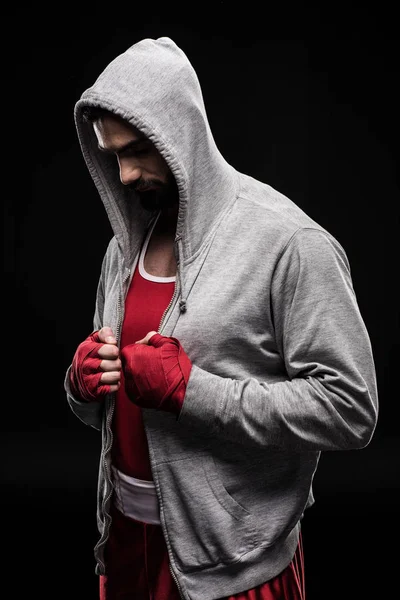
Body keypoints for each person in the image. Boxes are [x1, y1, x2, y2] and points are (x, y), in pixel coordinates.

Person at [64, 36, 379, 600]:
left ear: (179, 132)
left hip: (234, 564)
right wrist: (82, 387)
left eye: (138, 149)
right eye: (115, 156)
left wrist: (193, 391)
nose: (128, 174)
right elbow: (111, 412)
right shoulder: (124, 249)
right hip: (124, 548)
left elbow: (351, 410)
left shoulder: (290, 243)